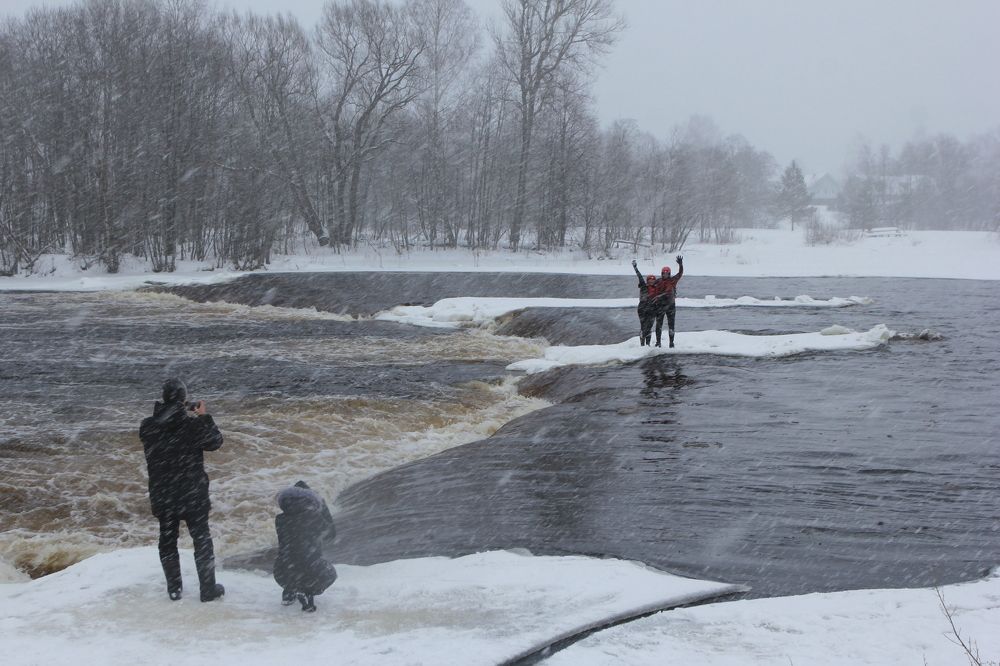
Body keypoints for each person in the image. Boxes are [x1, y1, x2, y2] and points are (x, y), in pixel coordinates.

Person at [139, 378, 225, 602]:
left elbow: (163, 425)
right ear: (184, 399)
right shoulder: (193, 425)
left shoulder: (147, 426)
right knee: (201, 539)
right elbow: (215, 441)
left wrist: (174, 410)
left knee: (167, 541)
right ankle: (207, 589)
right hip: (192, 493)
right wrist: (203, 416)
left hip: (164, 493)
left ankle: (174, 588)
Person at [273, 480, 338, 613]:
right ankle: (308, 591)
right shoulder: (314, 518)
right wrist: (323, 506)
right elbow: (330, 534)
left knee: (293, 557)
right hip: (313, 572)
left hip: (282, 573)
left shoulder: (280, 520)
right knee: (328, 572)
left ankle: (291, 590)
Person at [652, 255, 684, 348]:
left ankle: (671, 343)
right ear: (662, 273)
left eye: (667, 273)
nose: (665, 274)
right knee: (659, 325)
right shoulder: (658, 281)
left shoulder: (673, 280)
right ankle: (658, 343)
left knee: (671, 325)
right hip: (660, 306)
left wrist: (681, 265)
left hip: (670, 306)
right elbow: (650, 287)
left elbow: (680, 273)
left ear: (669, 274)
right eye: (664, 273)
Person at [631, 259, 658, 346]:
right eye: (650, 279)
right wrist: (635, 268)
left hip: (652, 309)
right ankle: (642, 344)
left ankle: (648, 344)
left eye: (653, 279)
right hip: (642, 308)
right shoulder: (643, 286)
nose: (651, 281)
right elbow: (640, 276)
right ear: (647, 280)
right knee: (643, 326)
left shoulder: (657, 288)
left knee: (649, 327)